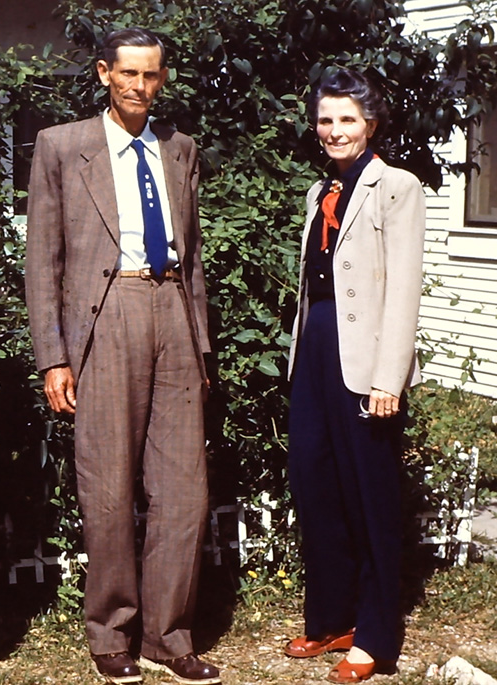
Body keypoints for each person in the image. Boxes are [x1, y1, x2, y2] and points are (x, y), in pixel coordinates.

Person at [25, 27, 220, 685]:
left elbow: (192, 261)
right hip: (105, 317)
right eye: (129, 74)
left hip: (172, 310)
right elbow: (42, 260)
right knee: (107, 485)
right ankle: (111, 631)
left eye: (153, 76)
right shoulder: (62, 146)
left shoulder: (180, 149)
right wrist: (53, 355)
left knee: (184, 489)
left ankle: (169, 634)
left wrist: (200, 342)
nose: (141, 87)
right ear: (105, 73)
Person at [285, 68, 426, 683]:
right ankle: (333, 618)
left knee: (370, 496)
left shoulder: (396, 187)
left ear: (371, 123)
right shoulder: (321, 192)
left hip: (366, 360)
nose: (335, 129)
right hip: (315, 352)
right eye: (325, 119)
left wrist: (388, 378)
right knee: (315, 486)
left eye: (347, 118)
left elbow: (402, 292)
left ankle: (375, 634)